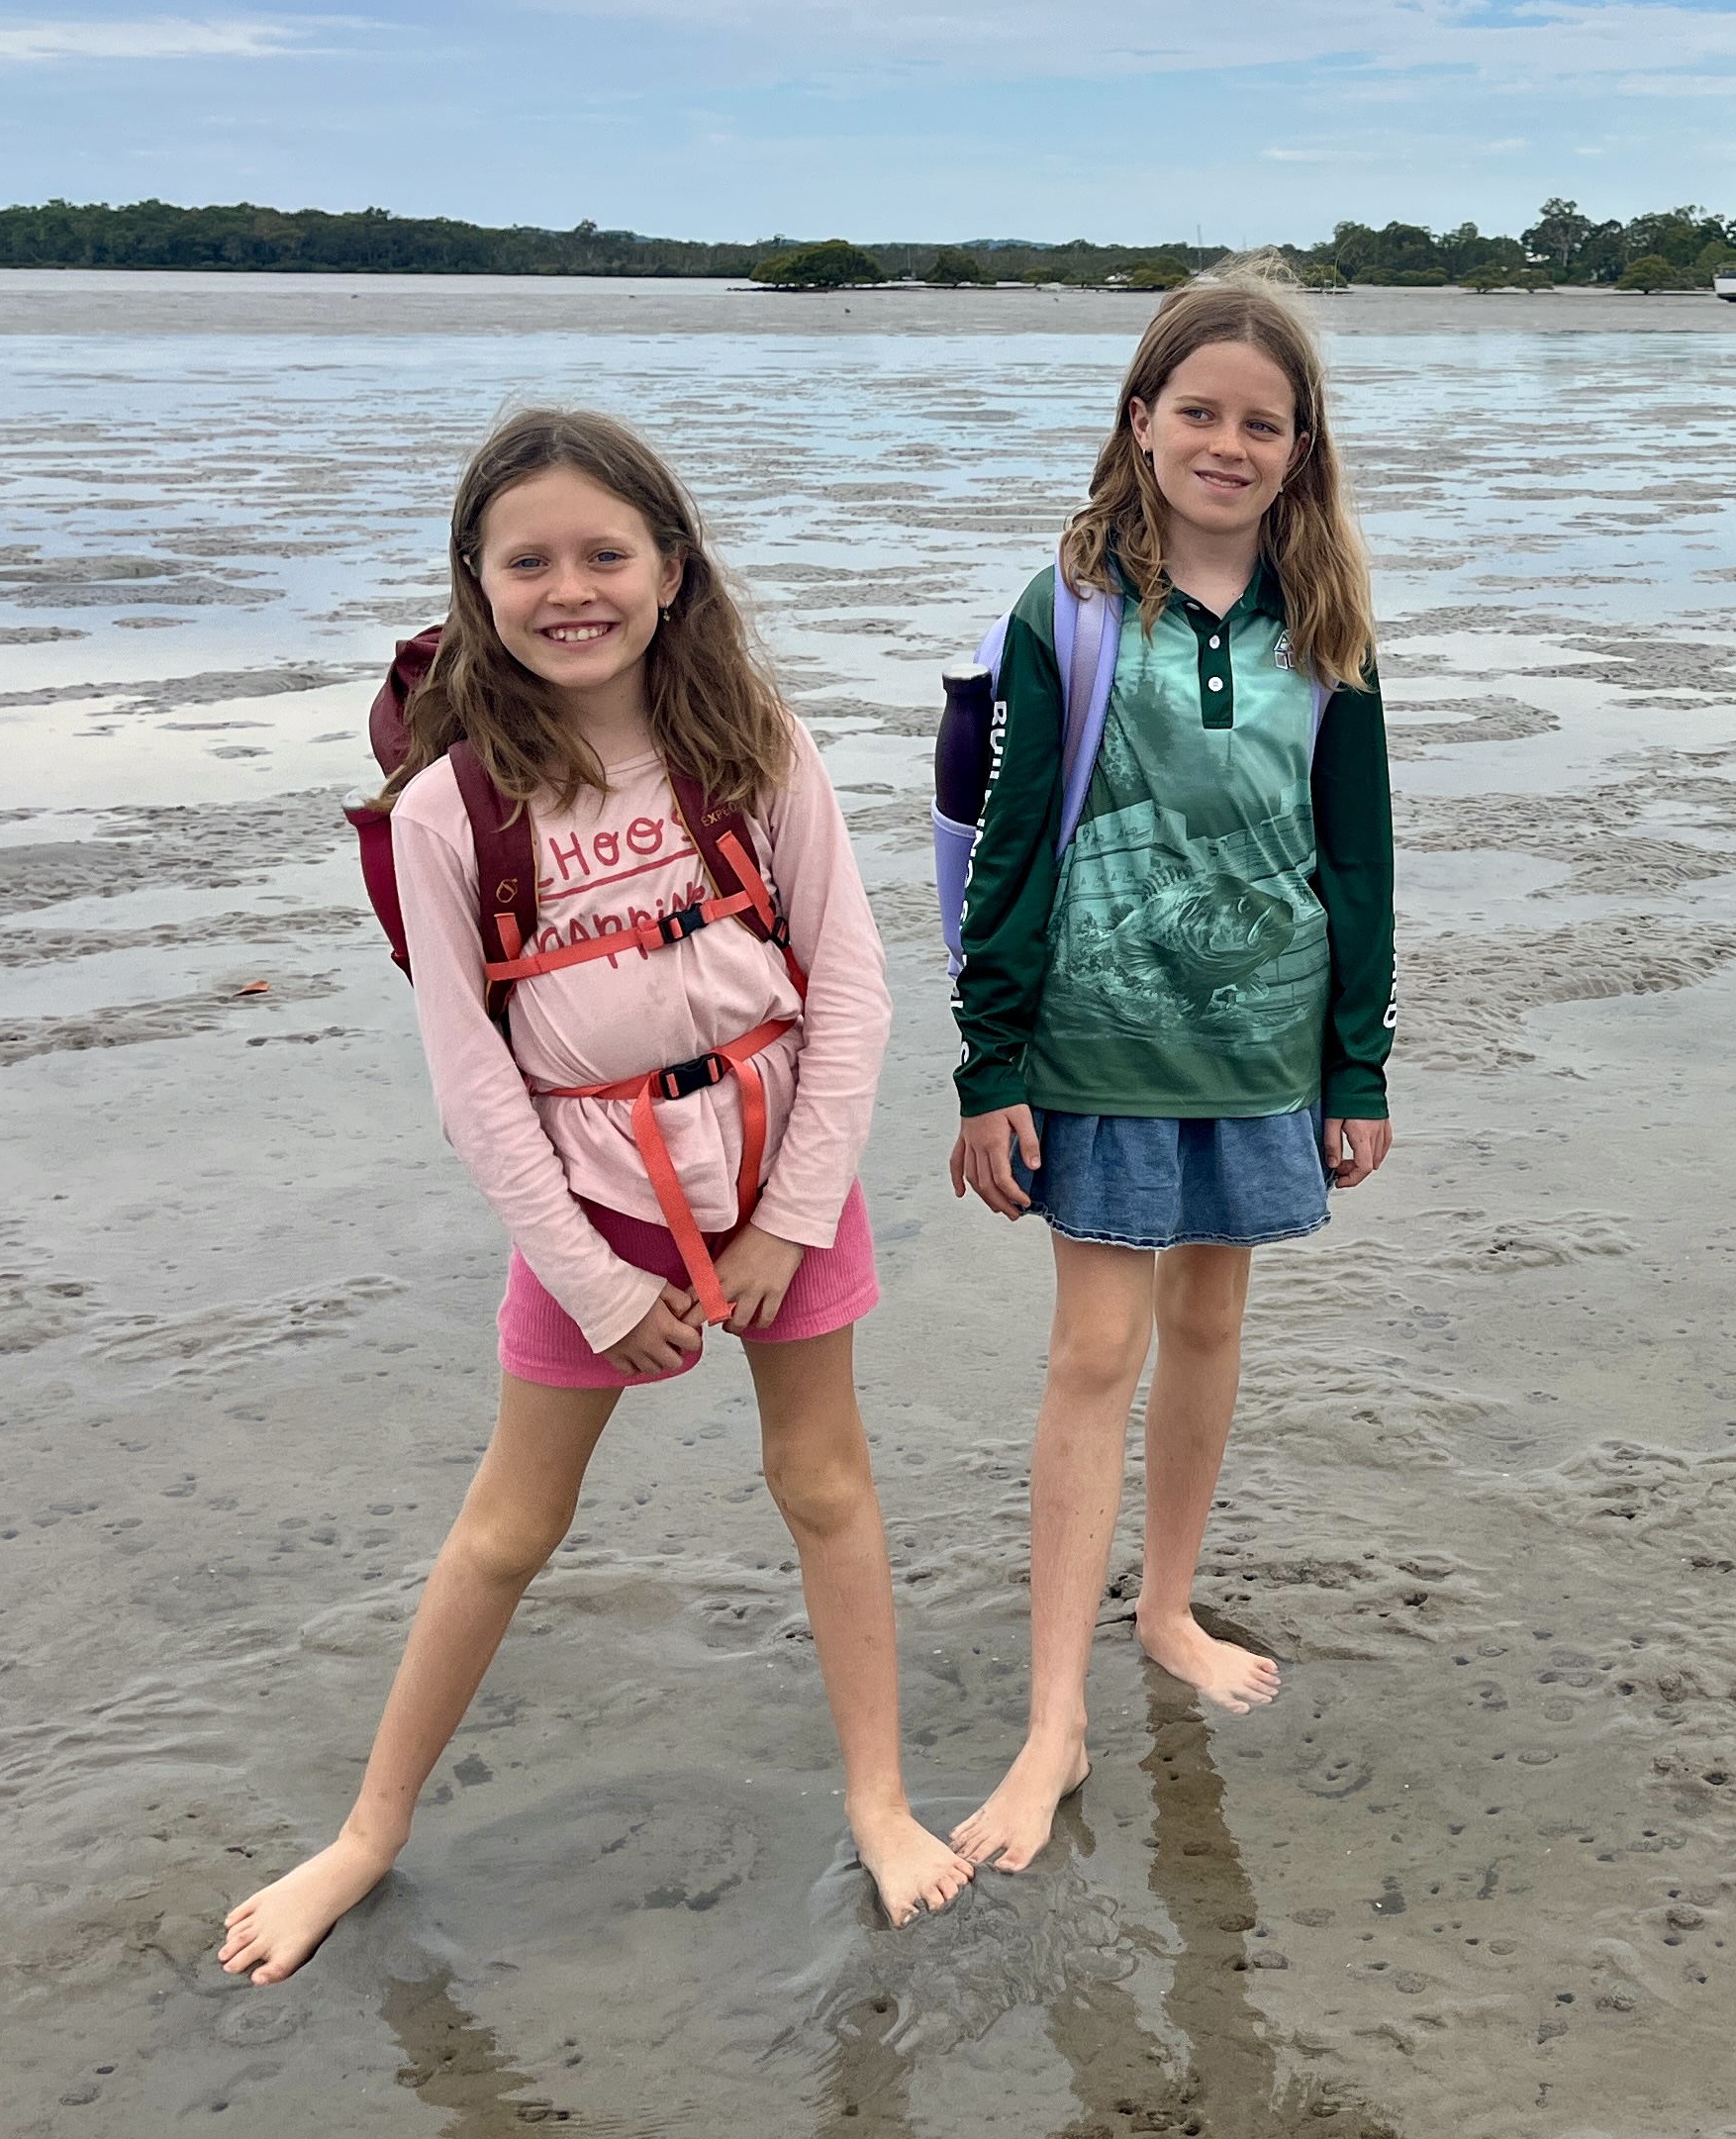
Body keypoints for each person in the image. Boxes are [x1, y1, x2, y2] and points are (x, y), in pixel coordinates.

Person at [221, 407, 965, 1983]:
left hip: (780, 1172)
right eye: (530, 560)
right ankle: (367, 1832)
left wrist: (788, 1216)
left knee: (824, 1482)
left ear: (672, 570)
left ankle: (883, 1803)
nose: (574, 588)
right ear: (476, 585)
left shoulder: (752, 740)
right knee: (510, 1524)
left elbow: (853, 986)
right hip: (591, 1203)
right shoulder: (447, 811)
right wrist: (597, 1280)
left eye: (607, 553)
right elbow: (472, 1086)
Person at [944, 274, 1396, 1873]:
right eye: (1195, 410)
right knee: (1093, 1350)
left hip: (1265, 1044)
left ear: (1300, 448)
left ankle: (1172, 1604)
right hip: (1096, 1038)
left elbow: (1360, 862)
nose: (1227, 441)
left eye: (1260, 422)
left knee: (1212, 1316)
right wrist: (987, 1063)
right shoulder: (1066, 606)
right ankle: (1051, 1713)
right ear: (1139, 423)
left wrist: (1360, 1067)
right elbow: (1005, 846)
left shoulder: (1329, 625)